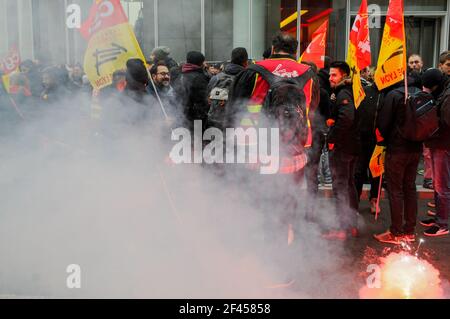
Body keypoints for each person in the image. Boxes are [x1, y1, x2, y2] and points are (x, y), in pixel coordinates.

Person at [229, 32, 319, 247]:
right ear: (295, 51)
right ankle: (284, 248)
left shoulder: (253, 72)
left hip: (257, 151)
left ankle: (263, 254)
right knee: (287, 202)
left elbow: (235, 110)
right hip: (294, 152)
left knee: (260, 202)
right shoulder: (309, 74)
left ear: (272, 47)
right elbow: (313, 110)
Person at [374, 72, 423, 244]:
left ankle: (396, 231)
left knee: (395, 190)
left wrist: (382, 140)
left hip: (397, 149)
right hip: (416, 148)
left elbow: (383, 123)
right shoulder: (420, 92)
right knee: (410, 187)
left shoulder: (394, 95)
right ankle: (409, 230)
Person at [325, 61, 360, 240]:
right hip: (352, 146)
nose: (330, 78)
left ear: (344, 76)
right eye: (330, 75)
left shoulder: (343, 92)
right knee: (349, 185)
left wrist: (332, 137)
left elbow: (347, 117)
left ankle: (342, 228)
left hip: (343, 147)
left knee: (341, 187)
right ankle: (351, 225)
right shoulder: (352, 90)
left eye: (334, 75)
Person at [420, 69, 450, 237]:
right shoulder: (444, 92)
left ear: (435, 85)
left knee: (442, 186)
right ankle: (439, 218)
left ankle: (443, 224)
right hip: (439, 143)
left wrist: (431, 121)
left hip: (443, 145)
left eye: (428, 88)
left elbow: (446, 122)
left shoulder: (447, 96)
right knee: (439, 185)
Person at [173, 51, 210, 133]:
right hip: (195, 120)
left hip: (180, 117)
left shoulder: (179, 75)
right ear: (201, 63)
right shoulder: (199, 78)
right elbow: (202, 101)